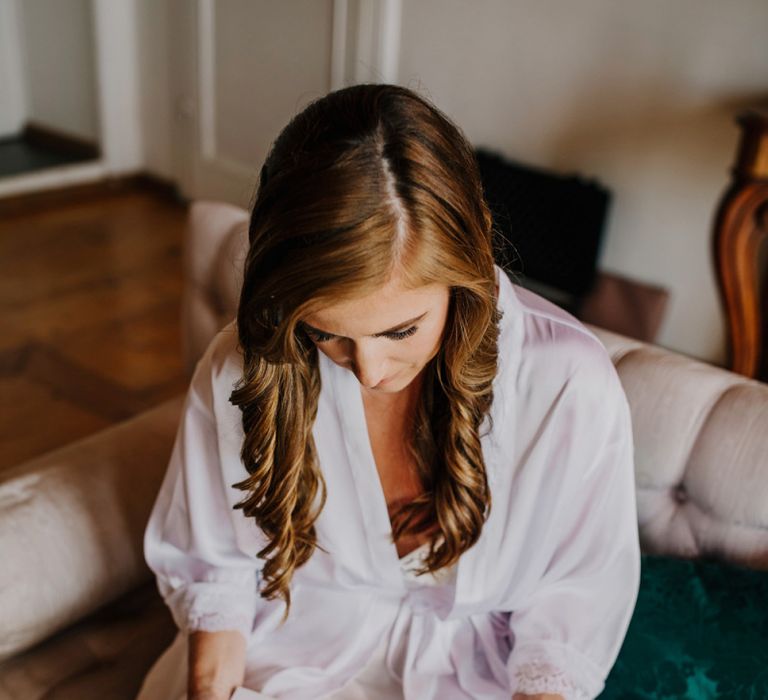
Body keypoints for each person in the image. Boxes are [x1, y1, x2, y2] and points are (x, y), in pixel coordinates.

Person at [136, 83, 641, 700]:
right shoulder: (239, 370)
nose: (369, 370)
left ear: (468, 265)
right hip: (289, 655)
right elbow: (218, 571)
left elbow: (573, 609)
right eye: (327, 334)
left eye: (401, 329)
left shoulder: (568, 386)